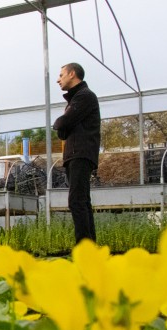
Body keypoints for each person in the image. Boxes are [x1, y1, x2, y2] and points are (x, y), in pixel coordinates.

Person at [53, 62, 101, 243]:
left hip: (81, 153)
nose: (58, 80)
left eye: (61, 75)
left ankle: (84, 248)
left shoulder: (84, 96)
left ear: (72, 74)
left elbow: (62, 124)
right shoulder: (76, 99)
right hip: (76, 154)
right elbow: (62, 131)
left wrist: (61, 122)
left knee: (76, 201)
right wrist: (63, 123)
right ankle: (89, 248)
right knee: (81, 200)